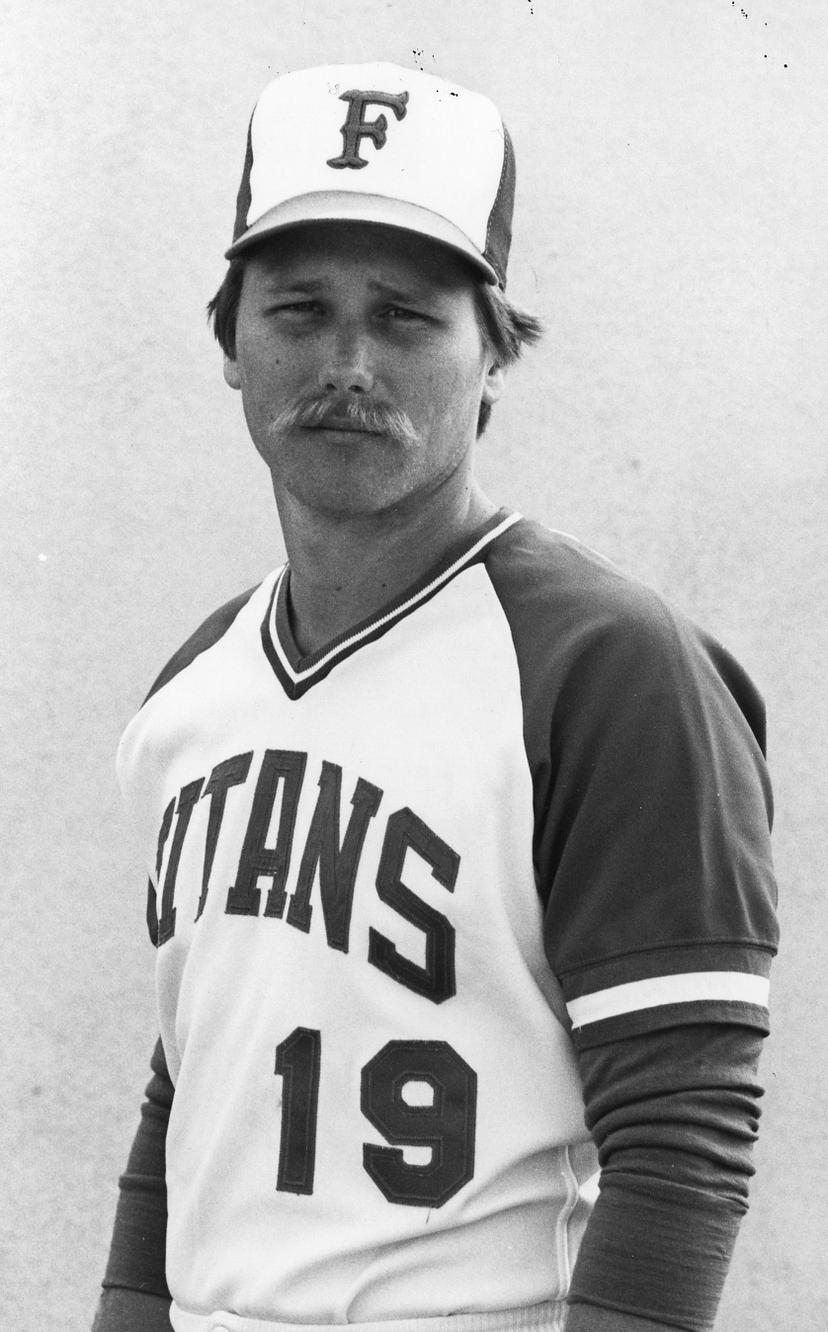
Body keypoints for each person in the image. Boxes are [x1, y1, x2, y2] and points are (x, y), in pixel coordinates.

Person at [92, 62, 778, 1332]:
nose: (348, 363)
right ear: (228, 344)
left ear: (494, 353)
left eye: (407, 318)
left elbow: (682, 1131)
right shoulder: (194, 686)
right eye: (299, 311)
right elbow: (187, 1091)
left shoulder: (609, 669)